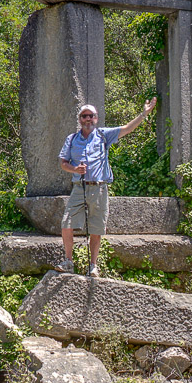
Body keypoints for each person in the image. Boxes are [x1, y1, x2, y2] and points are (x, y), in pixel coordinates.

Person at [56, 98, 157, 277]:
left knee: (97, 227)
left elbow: (127, 128)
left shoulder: (104, 135)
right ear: (79, 119)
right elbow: (63, 163)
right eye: (84, 116)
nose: (88, 119)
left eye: (91, 116)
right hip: (79, 187)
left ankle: (93, 265)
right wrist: (75, 169)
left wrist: (144, 114)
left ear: (96, 118)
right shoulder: (71, 139)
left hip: (100, 187)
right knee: (67, 223)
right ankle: (68, 261)